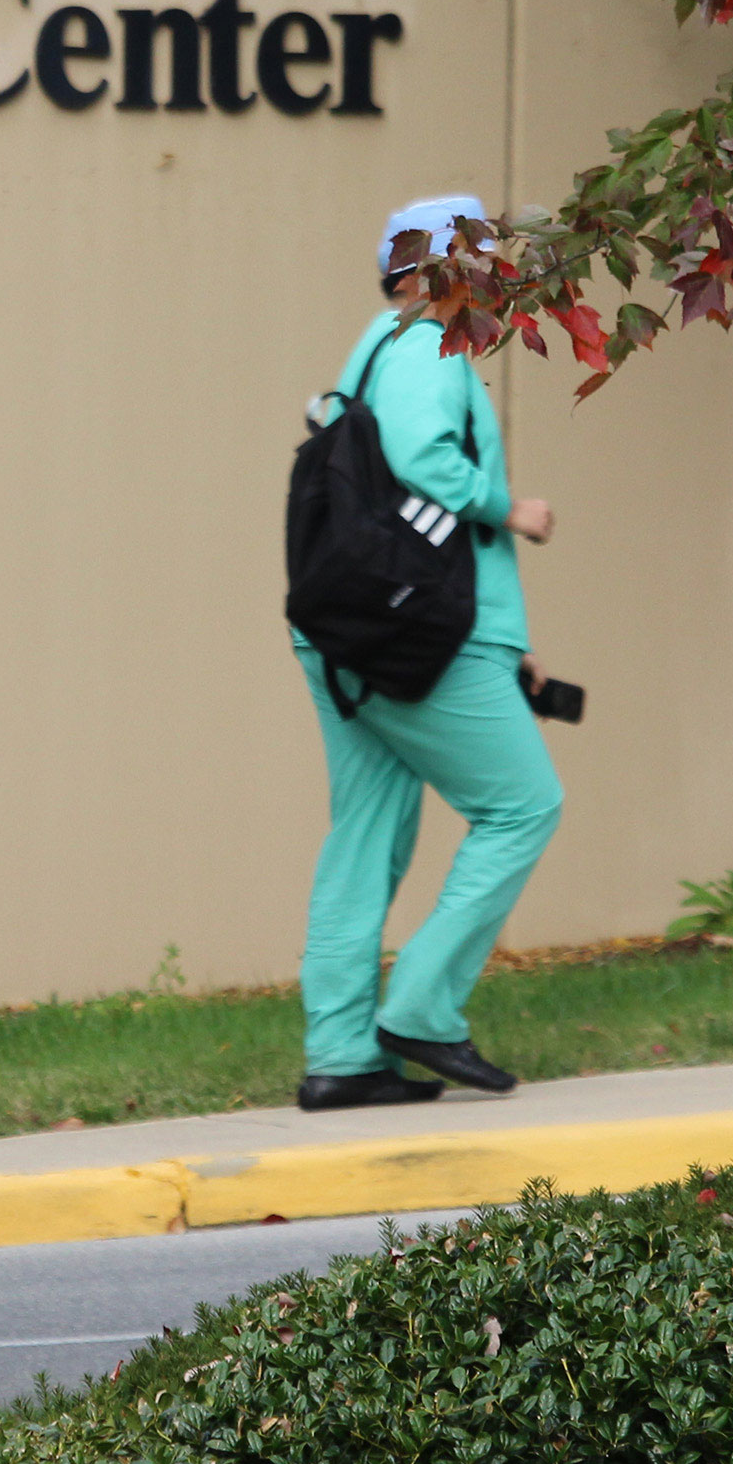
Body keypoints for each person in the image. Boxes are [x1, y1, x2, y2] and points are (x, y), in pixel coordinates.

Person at [291, 195, 567, 1112]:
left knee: (366, 835)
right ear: (437, 270)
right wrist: (509, 507)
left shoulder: (371, 353)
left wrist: (512, 649)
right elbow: (421, 462)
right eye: (481, 260)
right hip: (422, 633)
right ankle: (421, 1013)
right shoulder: (429, 353)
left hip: (351, 627)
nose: (495, 277)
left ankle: (340, 1057)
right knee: (524, 805)